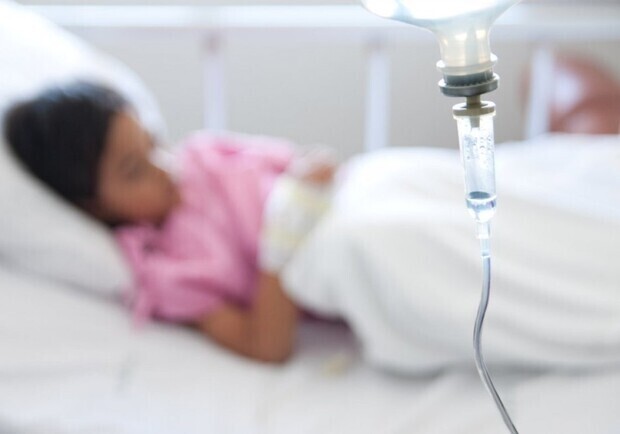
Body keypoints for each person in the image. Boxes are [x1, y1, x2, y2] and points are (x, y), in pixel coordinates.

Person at [4, 81, 338, 364]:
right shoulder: (167, 270)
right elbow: (267, 345)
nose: (162, 166)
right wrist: (284, 231)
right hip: (335, 258)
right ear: (94, 207)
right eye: (135, 170)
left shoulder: (202, 152)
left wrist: (310, 178)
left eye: (153, 142)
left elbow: (315, 162)